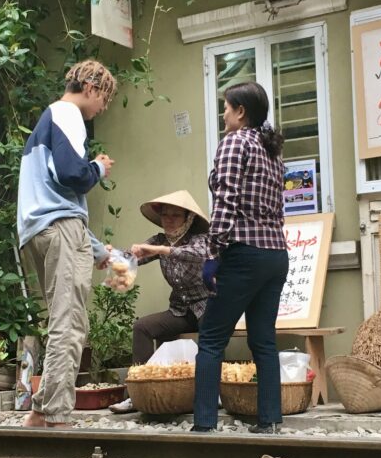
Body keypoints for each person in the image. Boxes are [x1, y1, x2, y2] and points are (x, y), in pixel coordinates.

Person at [17, 59, 116, 429]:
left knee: (60, 321)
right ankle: (56, 416)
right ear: (91, 88)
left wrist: (98, 250)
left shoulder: (45, 123)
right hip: (60, 230)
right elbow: (72, 175)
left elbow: (56, 199)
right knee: (70, 324)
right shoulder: (68, 113)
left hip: (38, 231)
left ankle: (40, 413)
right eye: (103, 100)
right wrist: (99, 167)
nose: (101, 109)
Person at [193, 81, 289, 435]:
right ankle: (270, 420)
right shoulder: (273, 151)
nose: (223, 114)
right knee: (263, 338)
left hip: (244, 252)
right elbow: (278, 208)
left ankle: (204, 424)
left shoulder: (234, 143)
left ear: (241, 112)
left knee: (212, 337)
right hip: (276, 254)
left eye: (226, 107)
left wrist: (213, 253)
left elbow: (226, 203)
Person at [110, 191, 209, 414]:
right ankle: (136, 394)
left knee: (210, 335)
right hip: (180, 310)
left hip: (208, 306)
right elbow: (130, 259)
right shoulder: (158, 240)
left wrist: (159, 250)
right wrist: (117, 255)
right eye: (165, 215)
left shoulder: (201, 239)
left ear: (188, 219)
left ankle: (209, 395)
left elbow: (195, 254)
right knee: (143, 327)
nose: (170, 220)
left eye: (176, 215)